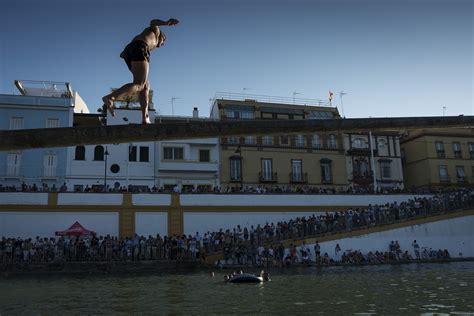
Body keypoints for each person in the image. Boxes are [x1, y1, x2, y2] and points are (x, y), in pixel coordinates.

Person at [102, 18, 179, 124]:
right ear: (162, 37)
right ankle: (111, 97)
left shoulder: (147, 38)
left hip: (128, 51)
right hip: (140, 47)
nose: (161, 45)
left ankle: (145, 118)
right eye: (163, 42)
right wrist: (166, 23)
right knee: (140, 84)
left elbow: (126, 51)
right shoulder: (156, 33)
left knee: (145, 85)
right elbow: (153, 22)